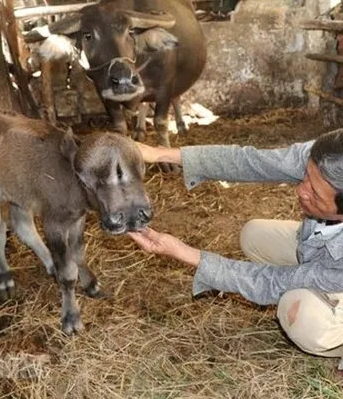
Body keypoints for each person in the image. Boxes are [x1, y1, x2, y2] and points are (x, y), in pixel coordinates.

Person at [127, 128, 343, 358]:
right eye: (305, 177)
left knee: (301, 313)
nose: (301, 190)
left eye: (316, 195)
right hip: (328, 253)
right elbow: (252, 162)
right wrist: (158, 153)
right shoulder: (329, 159)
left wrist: (184, 253)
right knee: (255, 236)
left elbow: (272, 282)